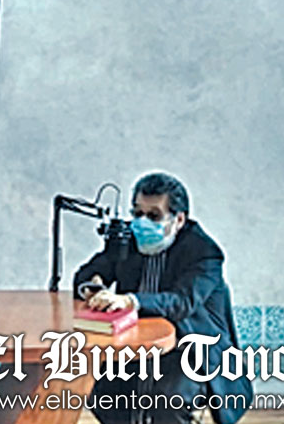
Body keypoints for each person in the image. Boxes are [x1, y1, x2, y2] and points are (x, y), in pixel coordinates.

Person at [74, 172, 253, 424]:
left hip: (191, 349)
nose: (142, 222)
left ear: (179, 219)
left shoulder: (204, 252)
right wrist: (93, 289)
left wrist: (130, 301)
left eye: (154, 216)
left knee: (168, 401)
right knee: (103, 393)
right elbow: (87, 273)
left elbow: (181, 302)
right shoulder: (128, 239)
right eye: (137, 213)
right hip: (137, 345)